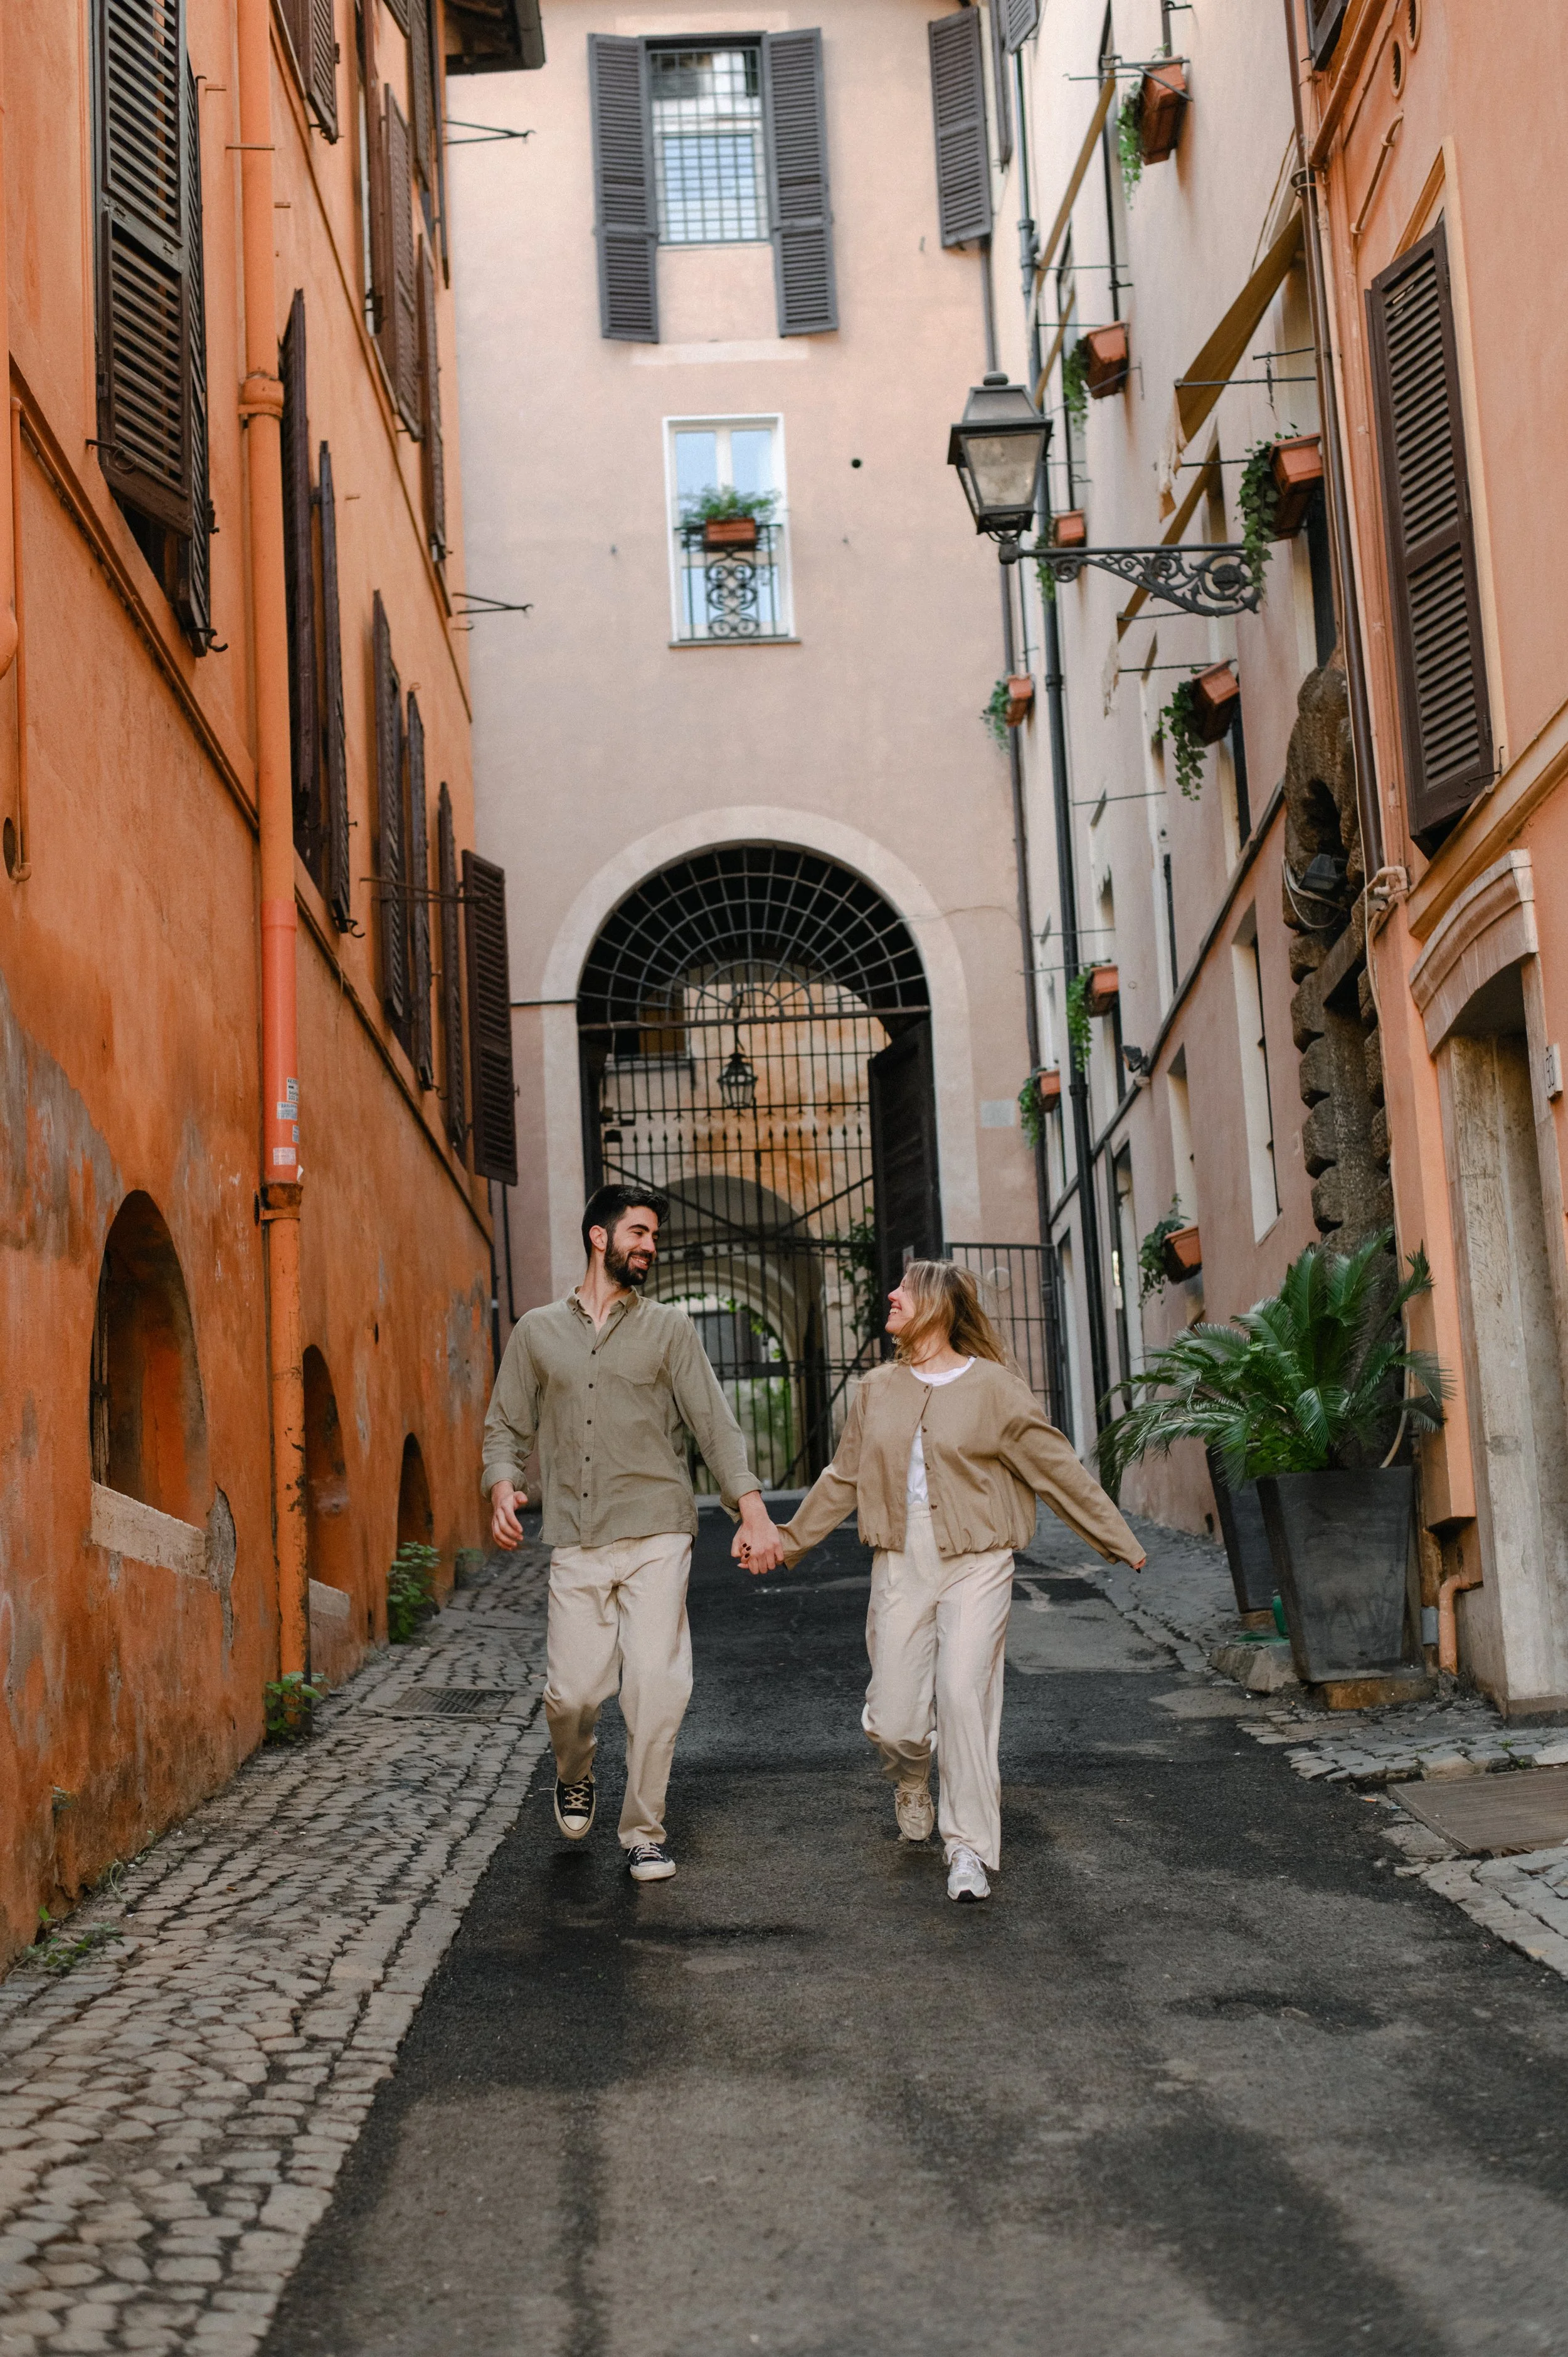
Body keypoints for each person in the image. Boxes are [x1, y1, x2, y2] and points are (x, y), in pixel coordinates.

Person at [769, 1260, 1145, 1903]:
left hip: (980, 1556)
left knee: (964, 1694)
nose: (890, 1294)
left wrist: (1117, 1538)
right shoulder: (876, 1388)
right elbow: (842, 1477)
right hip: (900, 1557)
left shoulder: (994, 1387)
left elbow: (1055, 1465)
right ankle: (911, 1777)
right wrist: (787, 1540)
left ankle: (967, 1848)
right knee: (894, 1721)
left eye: (903, 1288)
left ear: (938, 1306)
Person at [484, 1184, 785, 1883]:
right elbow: (506, 1423)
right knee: (574, 1695)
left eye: (653, 1237)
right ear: (600, 1236)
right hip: (577, 1538)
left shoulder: (670, 1331)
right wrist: (503, 1485)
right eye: (640, 1233)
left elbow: (715, 1426)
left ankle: (643, 1830)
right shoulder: (536, 1332)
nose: (650, 1246)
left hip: (657, 1532)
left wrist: (753, 1509)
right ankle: (575, 1770)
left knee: (656, 1684)